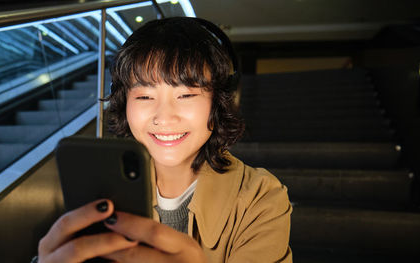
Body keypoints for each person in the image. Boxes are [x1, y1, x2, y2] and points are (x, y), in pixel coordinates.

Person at [38, 17, 292, 263]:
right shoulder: (99, 186)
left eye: (186, 95)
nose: (164, 117)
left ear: (219, 101)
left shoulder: (260, 198)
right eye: (145, 97)